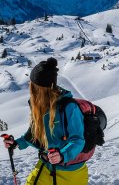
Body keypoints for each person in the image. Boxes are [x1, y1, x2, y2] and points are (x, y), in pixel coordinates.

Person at [2, 57, 88, 185]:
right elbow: (34, 134)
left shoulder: (69, 107)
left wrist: (62, 155)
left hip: (70, 172)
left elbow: (78, 140)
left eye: (33, 85)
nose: (30, 87)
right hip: (46, 165)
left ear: (41, 88)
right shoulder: (38, 105)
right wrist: (16, 143)